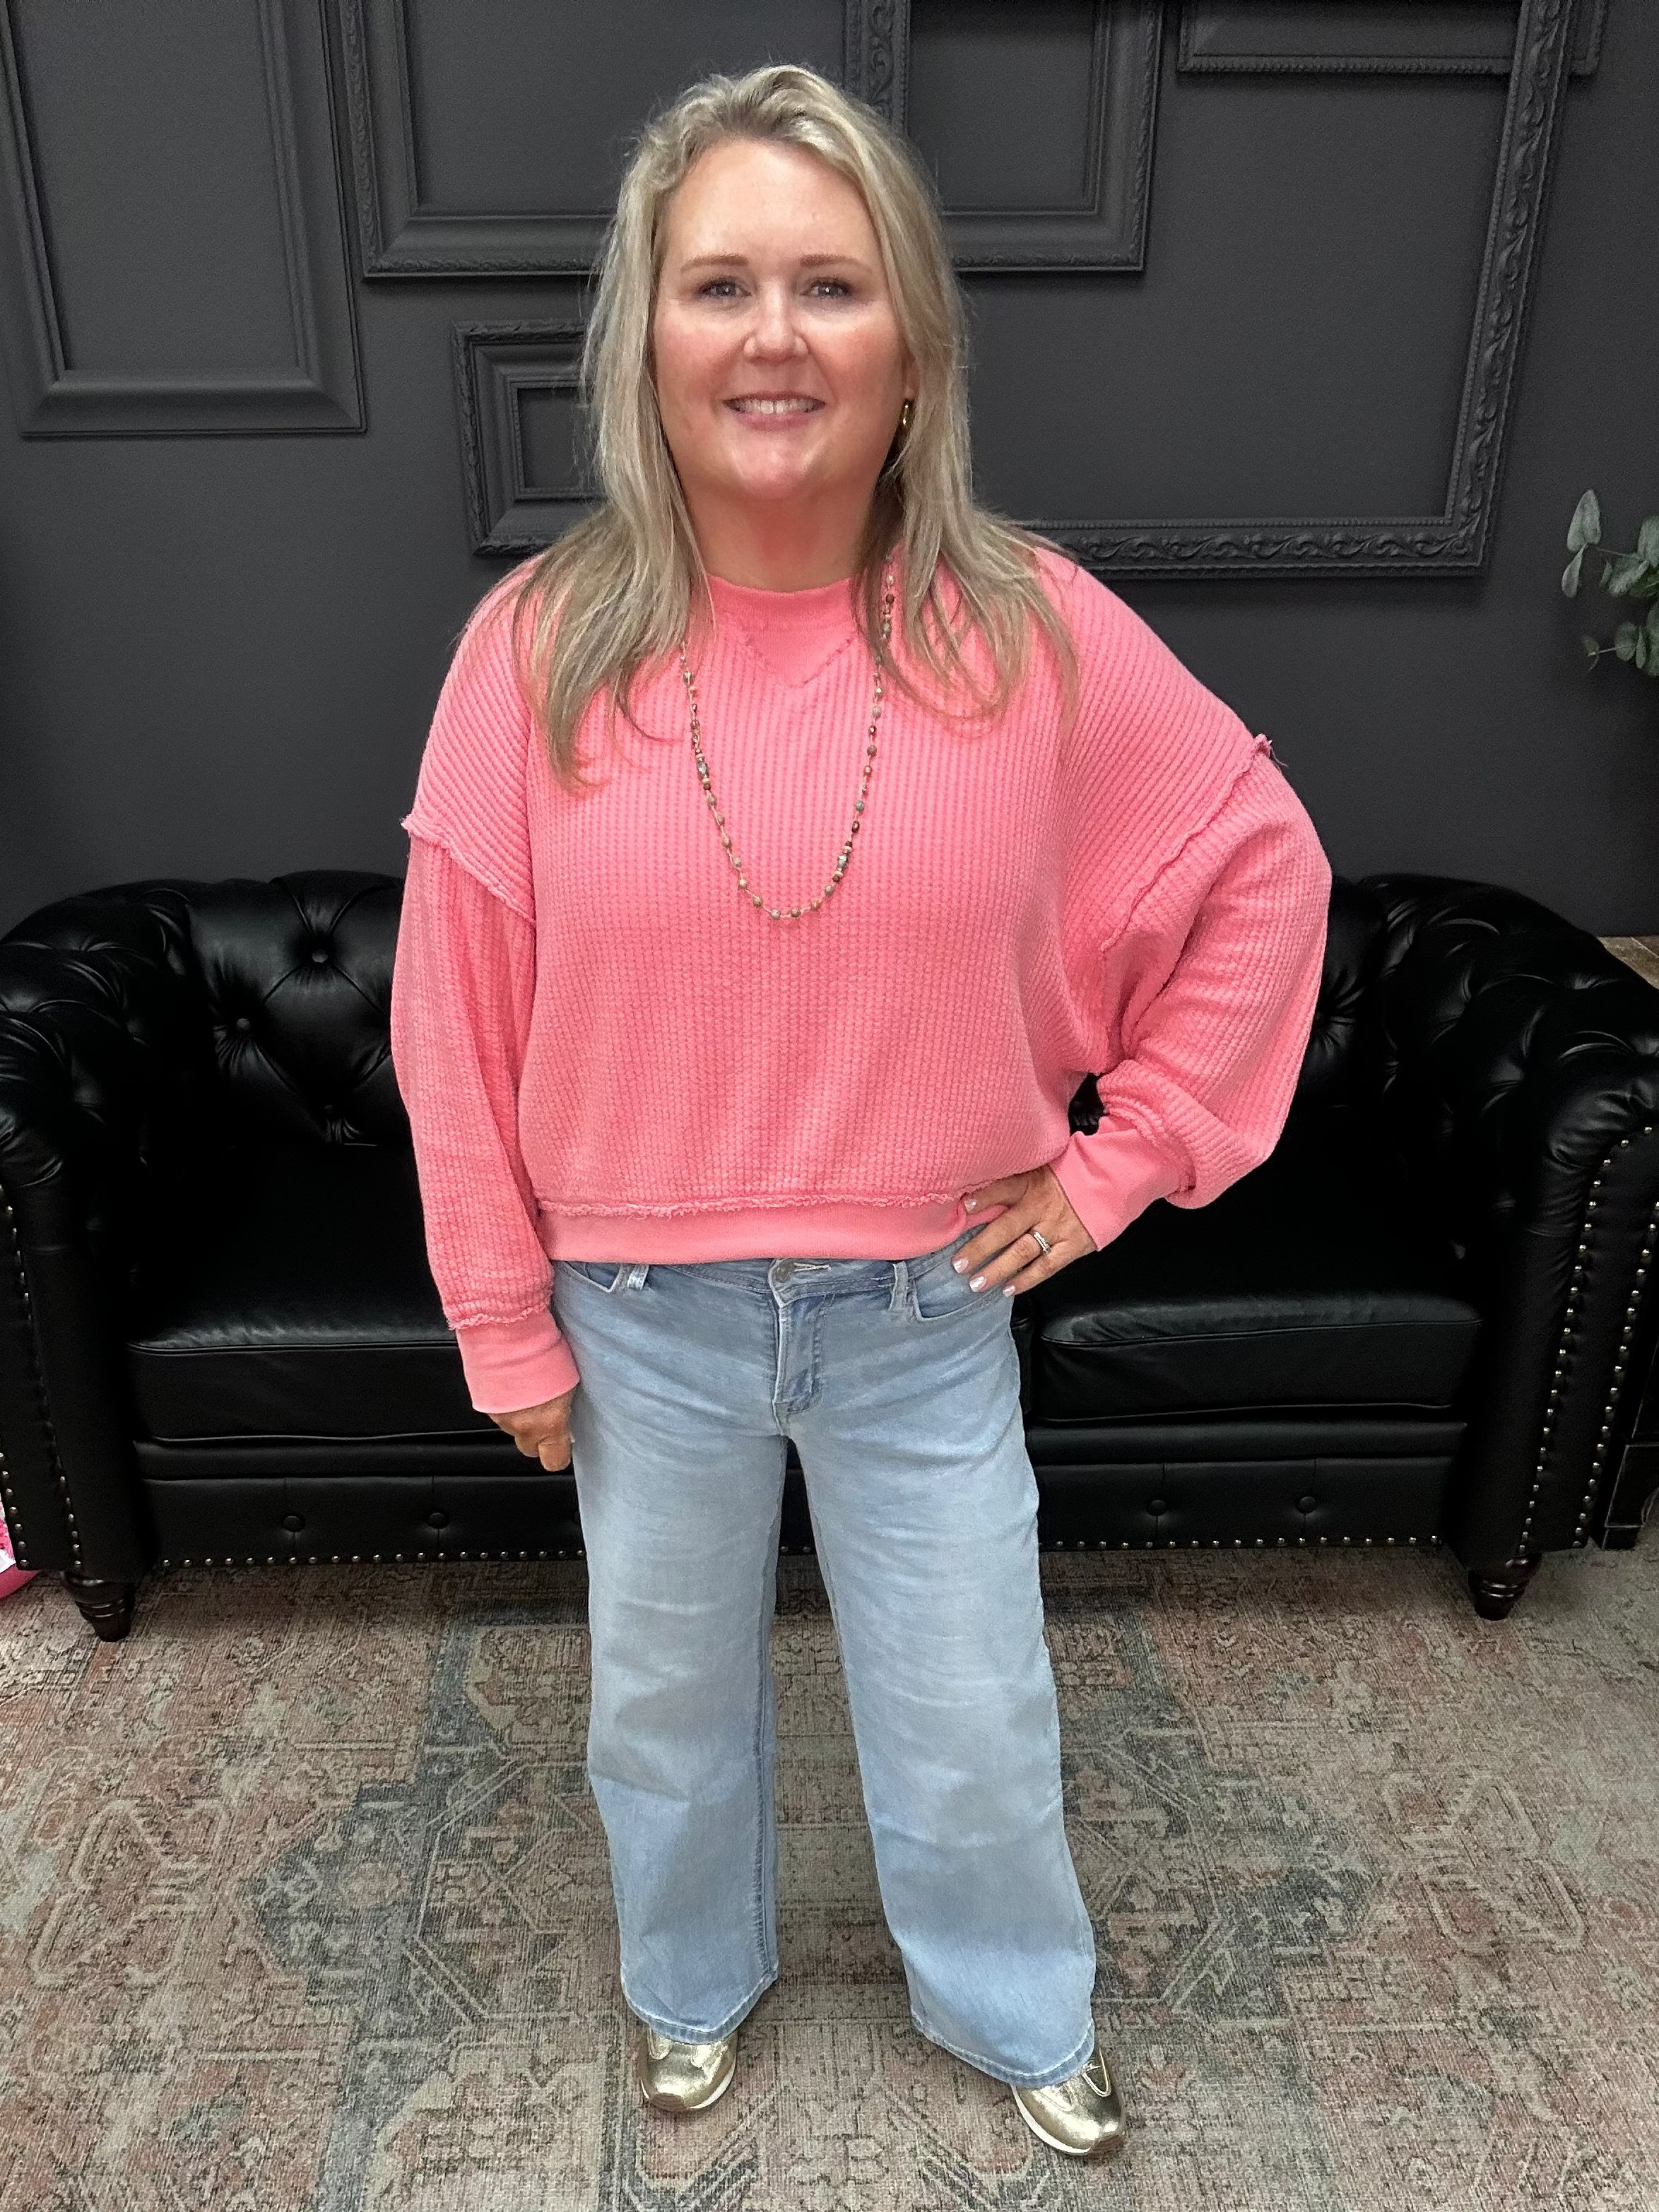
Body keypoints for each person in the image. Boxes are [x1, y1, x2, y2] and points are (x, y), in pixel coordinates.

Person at [390, 62, 1331, 2163]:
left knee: (973, 1717)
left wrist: (1118, 1166)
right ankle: (686, 1986)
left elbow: (1262, 869)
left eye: (829, 283)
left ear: (910, 342)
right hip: (635, 1314)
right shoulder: (534, 651)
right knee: (659, 1715)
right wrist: (501, 1323)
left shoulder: (1029, 628)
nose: (774, 333)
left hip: (924, 1310)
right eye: (718, 281)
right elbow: (450, 1015)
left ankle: (1012, 2010)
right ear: (648, 339)